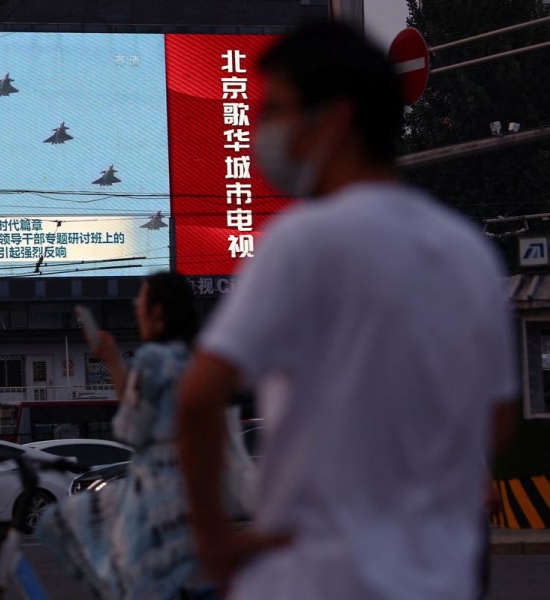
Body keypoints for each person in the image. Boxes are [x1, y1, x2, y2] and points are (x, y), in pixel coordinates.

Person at [176, 21, 519, 600]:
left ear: (333, 120)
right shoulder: (468, 251)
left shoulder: (302, 242)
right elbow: (498, 416)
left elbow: (199, 396)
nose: (262, 132)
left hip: (316, 578)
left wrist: (215, 541)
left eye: (278, 109)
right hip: (440, 579)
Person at [36, 271, 253, 600]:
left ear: (157, 312)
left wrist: (113, 366)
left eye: (141, 301)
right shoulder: (196, 359)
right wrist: (111, 359)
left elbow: (131, 428)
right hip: (192, 493)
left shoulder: (152, 360)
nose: (136, 307)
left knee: (58, 523)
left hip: (155, 493)